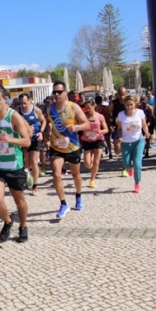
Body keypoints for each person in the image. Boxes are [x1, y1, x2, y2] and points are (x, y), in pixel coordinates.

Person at [0, 85, 31, 242]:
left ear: (5, 99)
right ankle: (8, 221)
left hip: (13, 165)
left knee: (19, 201)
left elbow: (27, 141)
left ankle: (23, 226)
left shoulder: (13, 116)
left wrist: (10, 139)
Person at [47, 81, 90, 218]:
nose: (57, 94)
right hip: (56, 146)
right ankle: (63, 203)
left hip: (72, 147)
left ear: (66, 92)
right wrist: (47, 135)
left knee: (76, 174)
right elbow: (48, 123)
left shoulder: (73, 107)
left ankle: (78, 195)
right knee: (56, 174)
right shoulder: (50, 109)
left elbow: (86, 124)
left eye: (59, 92)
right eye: (54, 92)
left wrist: (76, 127)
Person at [116, 95, 151, 193]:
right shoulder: (121, 115)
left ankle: (137, 184)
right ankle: (129, 168)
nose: (129, 107)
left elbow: (144, 125)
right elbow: (118, 128)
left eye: (131, 105)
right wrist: (120, 136)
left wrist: (147, 132)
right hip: (126, 142)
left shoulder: (140, 113)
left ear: (135, 104)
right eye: (127, 105)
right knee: (126, 163)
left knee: (137, 163)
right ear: (124, 105)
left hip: (138, 141)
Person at [17, 93, 46, 195]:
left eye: (25, 103)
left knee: (34, 162)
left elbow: (44, 121)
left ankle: (35, 186)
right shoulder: (18, 111)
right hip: (25, 139)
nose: (23, 105)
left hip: (35, 139)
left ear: (30, 101)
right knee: (26, 163)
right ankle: (28, 179)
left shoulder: (36, 110)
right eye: (21, 104)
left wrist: (41, 132)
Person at [81, 99, 109, 188]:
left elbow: (106, 129)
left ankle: (92, 179)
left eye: (89, 108)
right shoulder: (84, 117)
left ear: (94, 106)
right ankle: (90, 162)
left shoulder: (100, 117)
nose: (88, 110)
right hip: (87, 140)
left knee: (96, 162)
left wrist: (100, 131)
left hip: (98, 140)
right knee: (87, 163)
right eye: (86, 108)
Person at [109, 87, 128, 174]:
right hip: (116, 127)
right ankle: (119, 153)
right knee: (117, 148)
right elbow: (108, 113)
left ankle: (125, 167)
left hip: (127, 127)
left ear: (126, 94)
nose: (122, 97)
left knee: (125, 148)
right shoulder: (114, 103)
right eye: (120, 95)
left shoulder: (128, 103)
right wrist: (110, 123)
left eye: (123, 95)